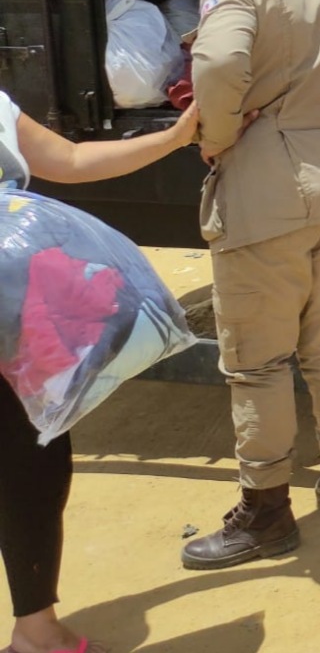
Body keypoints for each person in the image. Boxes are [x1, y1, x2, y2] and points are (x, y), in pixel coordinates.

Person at [156, 0, 320, 570]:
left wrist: (214, 135)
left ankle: (266, 512)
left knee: (257, 363)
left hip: (267, 189)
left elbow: (220, 64)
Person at [0, 92, 197, 653]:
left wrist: (174, 137)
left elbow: (70, 159)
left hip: (14, 317)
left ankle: (37, 630)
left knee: (30, 460)